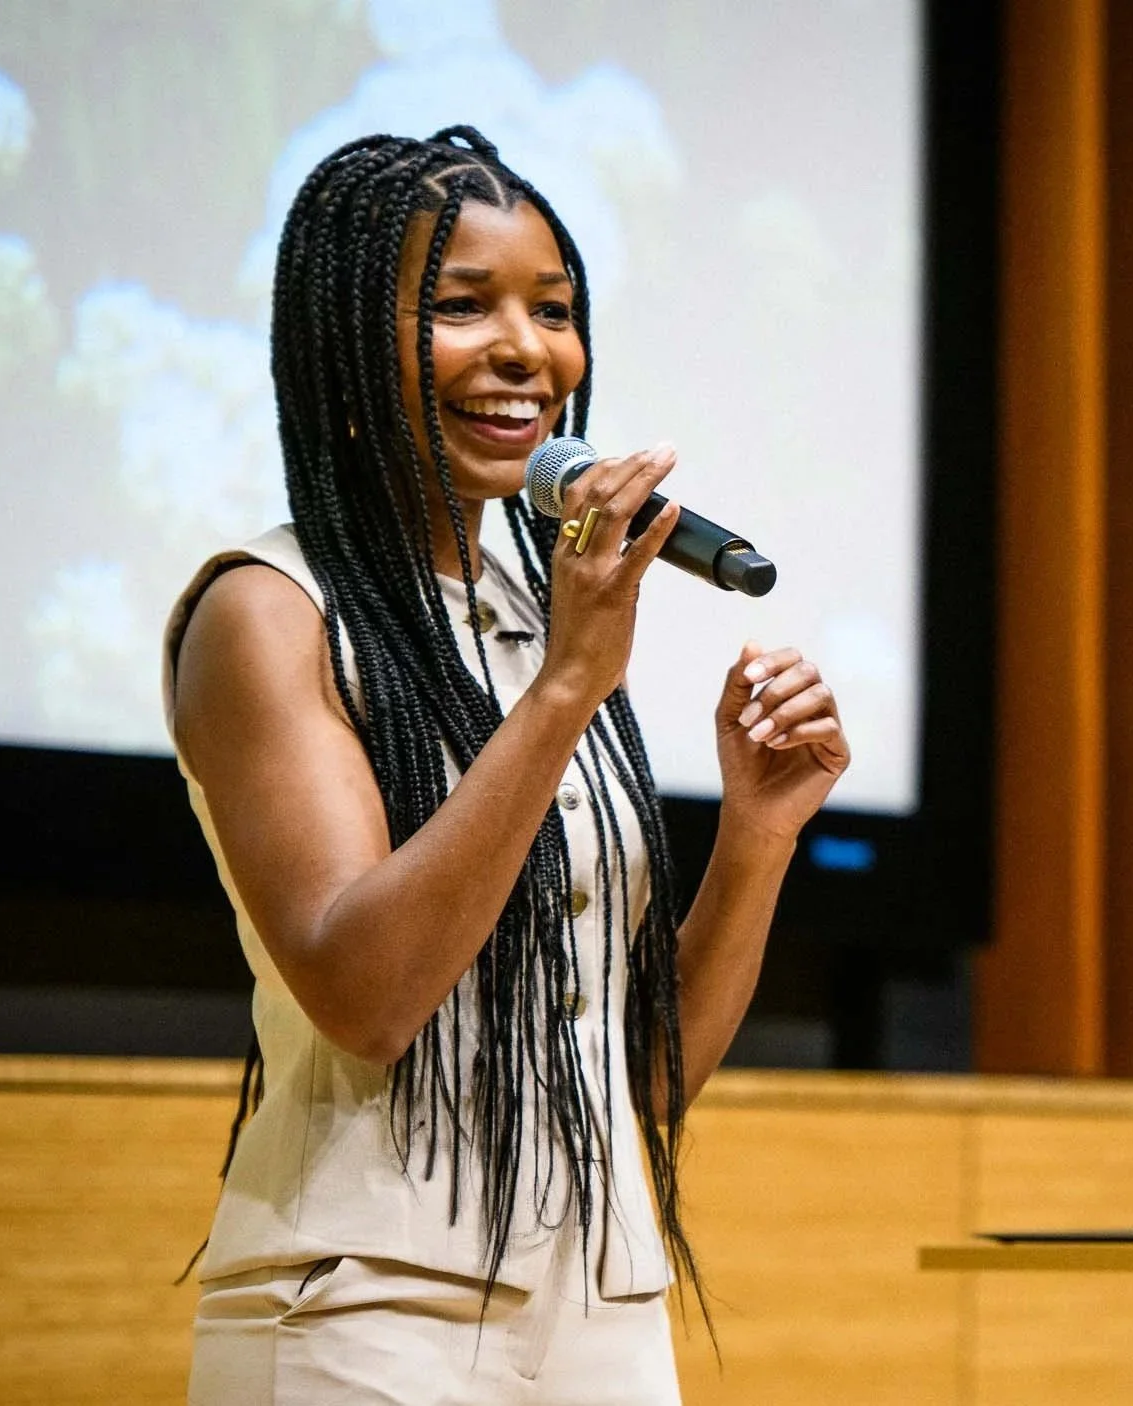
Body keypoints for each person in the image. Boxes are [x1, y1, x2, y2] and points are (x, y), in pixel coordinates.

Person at [165, 126, 846, 1403]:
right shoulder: (268, 611)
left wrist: (757, 837)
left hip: (602, 1314)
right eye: (462, 305)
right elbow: (368, 995)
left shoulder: (539, 617)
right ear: (345, 340)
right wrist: (566, 687)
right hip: (362, 1310)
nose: (526, 349)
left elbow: (645, 1082)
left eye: (554, 309)